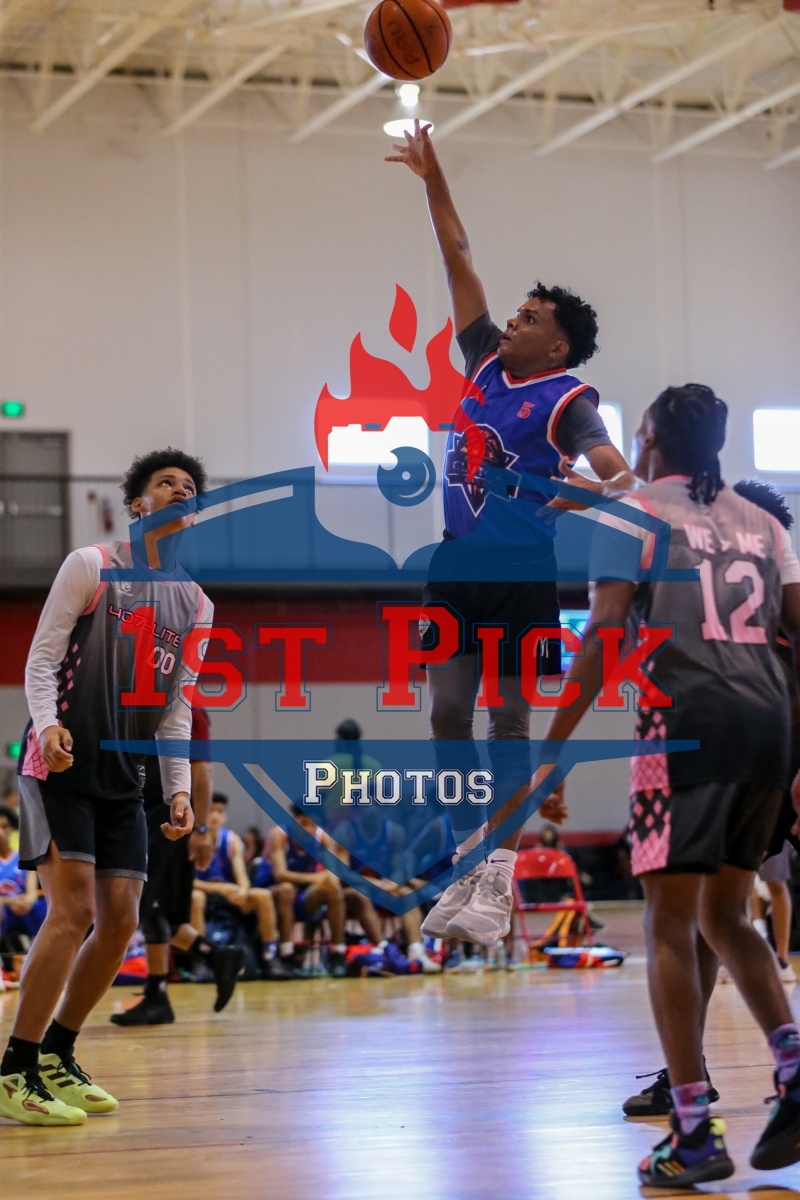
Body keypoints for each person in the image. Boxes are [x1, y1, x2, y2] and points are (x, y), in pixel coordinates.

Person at [530, 384, 800, 1185]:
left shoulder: (633, 514)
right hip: (768, 723)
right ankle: (793, 1070)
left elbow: (602, 637)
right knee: (727, 914)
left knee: (669, 925)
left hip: (684, 722)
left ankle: (691, 1130)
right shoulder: (765, 525)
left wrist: (552, 749)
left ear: (648, 440)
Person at [387, 120, 634, 944]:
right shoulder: (486, 364)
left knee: (510, 722)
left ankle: (498, 876)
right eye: (516, 312)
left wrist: (601, 490)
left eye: (528, 317)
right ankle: (469, 862)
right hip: (457, 563)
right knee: (445, 714)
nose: (512, 322)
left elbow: (616, 470)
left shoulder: (568, 399)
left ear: (556, 344)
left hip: (524, 574)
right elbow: (458, 256)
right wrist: (432, 176)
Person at [0, 449, 212, 1128]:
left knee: (119, 920)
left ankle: (58, 1051)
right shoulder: (91, 565)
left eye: (189, 487)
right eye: (165, 483)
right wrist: (46, 725)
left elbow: (177, 708)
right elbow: (42, 658)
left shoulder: (196, 604)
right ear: (139, 504)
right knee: (70, 913)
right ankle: (15, 1068)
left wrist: (179, 791)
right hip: (60, 767)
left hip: (126, 779)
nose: (179, 491)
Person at [623, 476, 800, 1117]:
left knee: (702, 917)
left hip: (753, 755)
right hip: (767, 756)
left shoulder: (752, 598)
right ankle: (689, 1069)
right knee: (712, 916)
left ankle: (695, 1085)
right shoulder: (762, 586)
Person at [109, 711, 244, 1026]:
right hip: (150, 814)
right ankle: (210, 959)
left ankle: (167, 988)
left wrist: (201, 830)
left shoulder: (189, 707)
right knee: (162, 912)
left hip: (168, 820)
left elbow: (202, 768)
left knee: (143, 906)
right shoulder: (149, 701)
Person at [269, 805, 384, 978]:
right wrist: (317, 878)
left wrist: (327, 879)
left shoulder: (323, 837)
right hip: (275, 892)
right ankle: (286, 954)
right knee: (287, 888)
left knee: (340, 889)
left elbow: (333, 875)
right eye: (303, 823)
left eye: (312, 825)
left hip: (306, 895)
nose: (308, 829)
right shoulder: (279, 835)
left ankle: (340, 952)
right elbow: (280, 874)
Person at [192, 795, 292, 980]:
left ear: (225, 816)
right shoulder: (191, 840)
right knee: (195, 897)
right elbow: (187, 882)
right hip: (203, 896)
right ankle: (202, 961)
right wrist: (219, 889)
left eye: (219, 811)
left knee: (262, 896)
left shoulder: (231, 840)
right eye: (210, 810)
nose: (214, 816)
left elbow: (242, 878)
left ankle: (270, 958)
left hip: (228, 897)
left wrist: (243, 891)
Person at [0, 805, 46, 949]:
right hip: (4, 909)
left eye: (4, 827)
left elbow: (31, 893)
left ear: (12, 829)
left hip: (25, 908)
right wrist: (11, 902)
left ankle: (43, 953)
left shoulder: (24, 857)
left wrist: (26, 902)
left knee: (48, 906)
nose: (0, 832)